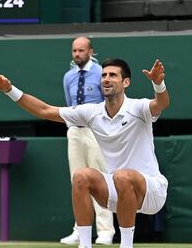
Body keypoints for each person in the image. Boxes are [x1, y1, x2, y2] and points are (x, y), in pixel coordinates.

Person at [0, 57, 170, 248]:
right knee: (81, 175)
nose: (106, 79)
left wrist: (158, 83)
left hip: (151, 191)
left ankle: (126, 246)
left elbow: (161, 103)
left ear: (126, 82)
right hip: (116, 192)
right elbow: (44, 110)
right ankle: (84, 244)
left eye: (113, 75)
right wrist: (9, 89)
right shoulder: (91, 112)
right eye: (104, 75)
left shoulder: (138, 108)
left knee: (123, 177)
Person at [58, 38, 116, 246]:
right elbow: (69, 103)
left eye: (81, 50)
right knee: (77, 181)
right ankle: (79, 230)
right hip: (75, 131)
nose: (77, 54)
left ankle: (106, 231)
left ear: (90, 51)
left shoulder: (102, 73)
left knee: (100, 180)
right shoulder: (68, 77)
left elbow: (108, 101)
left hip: (96, 132)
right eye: (74, 50)